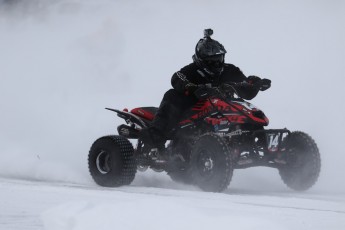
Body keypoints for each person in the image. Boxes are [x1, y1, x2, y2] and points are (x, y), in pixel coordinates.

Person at [140, 29, 271, 153]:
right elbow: (177, 78)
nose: (217, 64)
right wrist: (193, 88)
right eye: (212, 61)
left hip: (223, 110)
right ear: (201, 60)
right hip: (192, 109)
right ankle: (155, 136)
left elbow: (244, 88)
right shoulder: (191, 70)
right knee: (171, 95)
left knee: (241, 106)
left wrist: (254, 84)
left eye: (219, 59)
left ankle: (260, 143)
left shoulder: (229, 70)